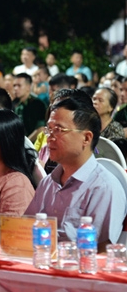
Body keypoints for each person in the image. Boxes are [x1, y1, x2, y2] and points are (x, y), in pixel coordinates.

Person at [25, 94, 126, 246]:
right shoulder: (48, 183)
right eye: (49, 129)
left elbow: (103, 251)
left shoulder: (104, 187)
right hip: (40, 263)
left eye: (58, 130)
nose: (50, 138)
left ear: (86, 138)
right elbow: (26, 229)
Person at [13, 73, 46, 142]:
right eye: (14, 85)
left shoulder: (38, 104)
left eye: (19, 85)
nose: (15, 88)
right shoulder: (14, 103)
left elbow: (40, 129)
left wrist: (25, 144)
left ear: (28, 86)